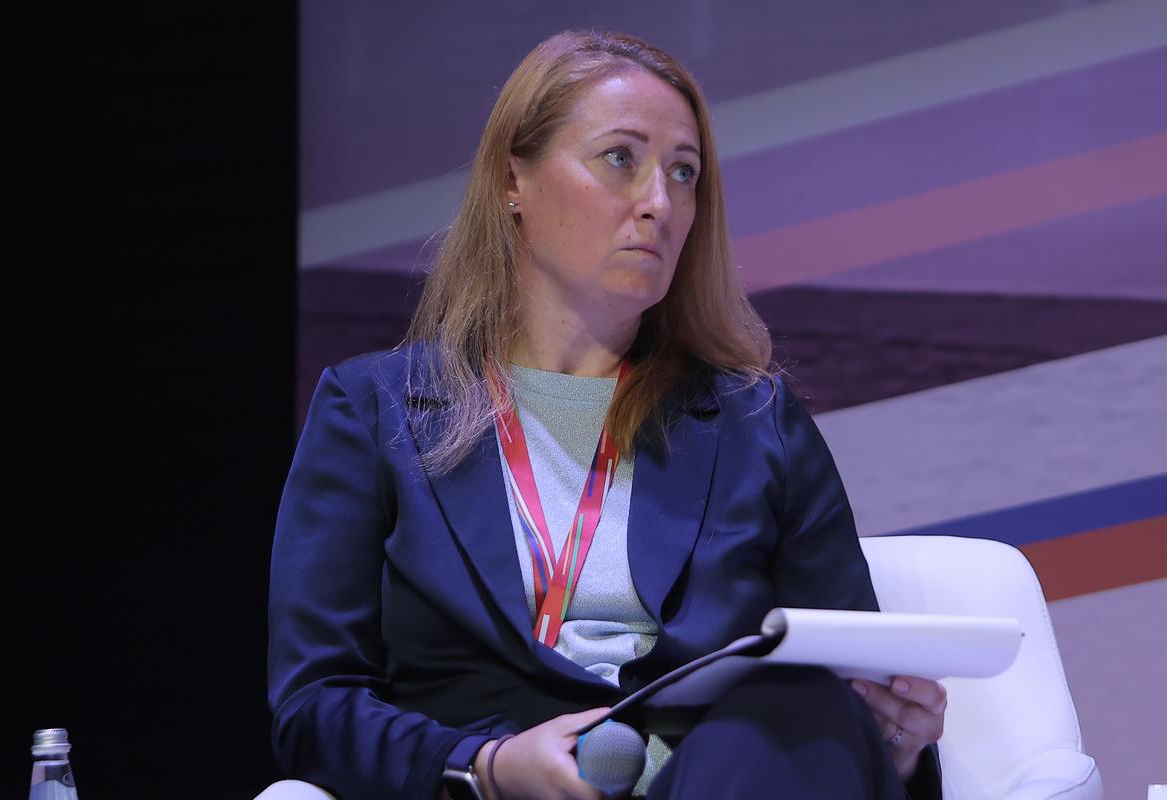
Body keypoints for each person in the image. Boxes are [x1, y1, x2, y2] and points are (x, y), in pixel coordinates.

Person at [268, 29, 946, 800]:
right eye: (620, 158)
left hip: (721, 780)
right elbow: (313, 706)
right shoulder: (372, 412)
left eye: (684, 173)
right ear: (513, 180)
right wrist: (486, 766)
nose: (659, 203)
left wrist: (895, 739)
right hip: (498, 786)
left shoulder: (756, 422)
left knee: (802, 707)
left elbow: (848, 687)